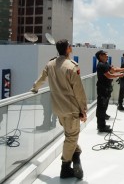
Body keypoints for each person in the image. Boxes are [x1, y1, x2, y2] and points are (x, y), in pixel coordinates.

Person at [30, 39, 87, 179]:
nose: (71, 47)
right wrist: (83, 110)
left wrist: (34, 88)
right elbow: (78, 91)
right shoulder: (72, 66)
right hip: (71, 109)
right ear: (68, 49)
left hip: (58, 108)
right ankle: (66, 167)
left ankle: (76, 153)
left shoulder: (50, 64)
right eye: (70, 46)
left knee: (69, 135)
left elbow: (41, 79)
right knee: (71, 137)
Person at [95, 50, 124, 133]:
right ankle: (101, 127)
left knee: (104, 107)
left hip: (106, 89)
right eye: (105, 55)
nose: (107, 56)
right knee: (101, 108)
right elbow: (109, 75)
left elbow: (114, 69)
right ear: (100, 56)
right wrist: (120, 75)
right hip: (102, 89)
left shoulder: (105, 64)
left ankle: (102, 125)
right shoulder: (101, 65)